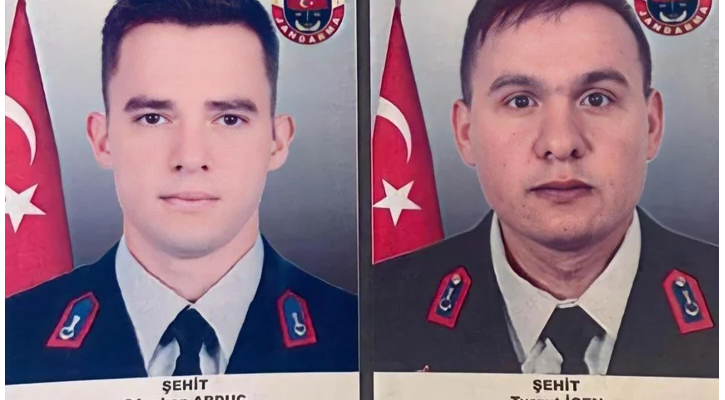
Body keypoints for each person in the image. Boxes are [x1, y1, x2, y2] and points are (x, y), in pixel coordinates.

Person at [6, 0, 357, 385]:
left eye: (229, 119)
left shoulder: (358, 335)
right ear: (103, 140)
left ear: (277, 142)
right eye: (153, 118)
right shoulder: (12, 338)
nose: (190, 158)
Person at [373, 0, 717, 378]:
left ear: (651, 125)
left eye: (597, 98)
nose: (561, 143)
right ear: (465, 133)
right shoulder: (374, 312)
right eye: (520, 101)